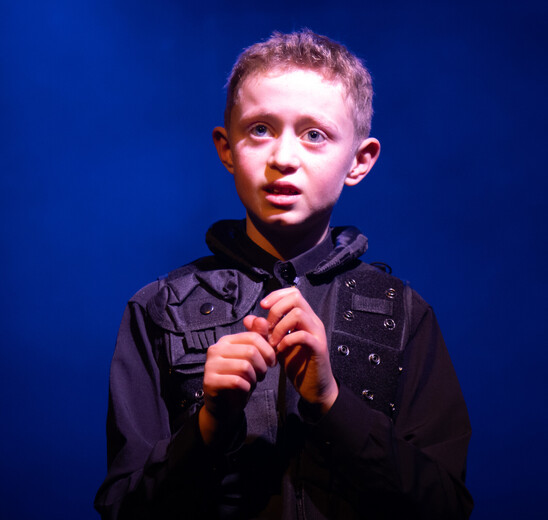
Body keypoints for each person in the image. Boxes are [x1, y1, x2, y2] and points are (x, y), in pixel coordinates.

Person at [94, 30, 473, 519]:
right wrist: (208, 426)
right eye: (260, 129)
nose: (283, 159)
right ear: (226, 148)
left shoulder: (404, 315)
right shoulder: (157, 310)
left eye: (314, 134)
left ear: (359, 161)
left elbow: (446, 506)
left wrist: (331, 402)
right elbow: (121, 509)